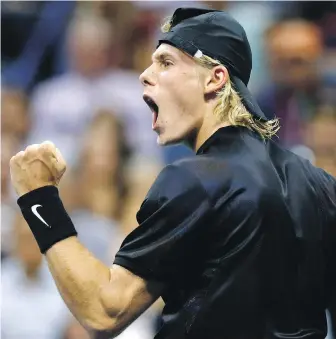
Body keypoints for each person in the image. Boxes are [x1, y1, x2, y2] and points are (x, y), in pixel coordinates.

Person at [9, 7, 336, 339]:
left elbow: (104, 311)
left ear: (215, 78)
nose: (145, 74)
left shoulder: (195, 179)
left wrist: (40, 199)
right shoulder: (322, 186)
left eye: (166, 62)